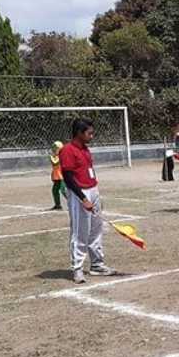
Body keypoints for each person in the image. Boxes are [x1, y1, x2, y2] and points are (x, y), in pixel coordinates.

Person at [60, 118, 115, 284]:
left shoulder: (85, 149)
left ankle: (97, 264)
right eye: (89, 133)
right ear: (79, 133)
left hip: (92, 189)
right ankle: (77, 268)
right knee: (80, 231)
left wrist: (95, 194)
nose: (92, 136)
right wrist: (83, 198)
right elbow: (68, 178)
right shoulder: (67, 150)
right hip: (79, 193)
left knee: (96, 228)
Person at [50, 141, 66, 210]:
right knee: (55, 190)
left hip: (63, 176)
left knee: (63, 190)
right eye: (53, 148)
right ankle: (58, 205)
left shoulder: (62, 155)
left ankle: (73, 203)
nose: (54, 149)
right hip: (56, 176)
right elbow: (54, 163)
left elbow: (55, 162)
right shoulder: (54, 156)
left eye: (56, 148)